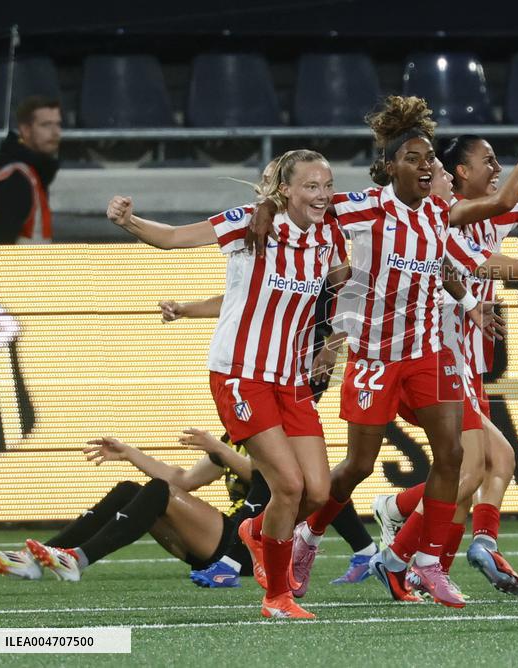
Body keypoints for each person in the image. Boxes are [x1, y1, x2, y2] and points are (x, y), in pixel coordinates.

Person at [374, 96, 518, 596]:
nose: (497, 168)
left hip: (466, 364)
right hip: (437, 362)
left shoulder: (484, 219)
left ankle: (462, 542)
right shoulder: (448, 219)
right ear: (457, 174)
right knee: (469, 468)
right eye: (487, 160)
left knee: (495, 463)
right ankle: (402, 554)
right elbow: (517, 268)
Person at [106, 148, 348, 619]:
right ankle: (277, 597)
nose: (322, 195)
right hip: (241, 374)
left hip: (290, 377)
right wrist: (129, 222)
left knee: (318, 493)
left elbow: (328, 295)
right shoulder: (249, 222)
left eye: (327, 185)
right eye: (311, 186)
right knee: (290, 485)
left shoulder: (330, 233)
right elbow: (176, 238)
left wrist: (331, 343)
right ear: (285, 189)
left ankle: (257, 532)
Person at [160, 289, 379, 587]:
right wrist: (187, 309)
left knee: (284, 475)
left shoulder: (320, 254)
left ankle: (235, 557)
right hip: (262, 374)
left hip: (298, 374)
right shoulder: (268, 259)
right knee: (296, 477)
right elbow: (242, 299)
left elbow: (351, 294)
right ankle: (361, 550)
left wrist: (332, 345)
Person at [0, 429, 262, 586]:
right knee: (129, 490)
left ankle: (78, 559)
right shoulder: (233, 438)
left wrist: (220, 449)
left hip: (248, 550)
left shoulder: (276, 437)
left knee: (160, 491)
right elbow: (184, 480)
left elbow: (267, 479)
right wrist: (129, 452)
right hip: (219, 541)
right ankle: (34, 560)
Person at [0, 96, 62, 244]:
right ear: (26, 130)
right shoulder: (17, 180)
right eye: (46, 125)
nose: (55, 133)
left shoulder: (30, 174)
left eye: (58, 124)